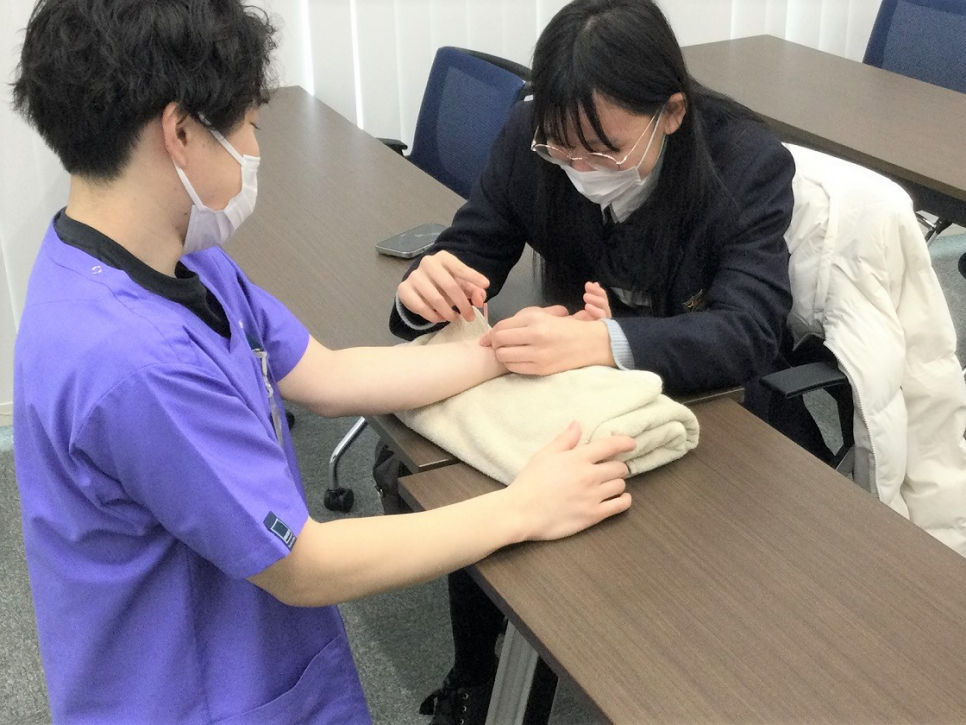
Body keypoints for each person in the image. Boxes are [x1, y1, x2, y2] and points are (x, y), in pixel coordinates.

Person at [10, 1, 638, 722]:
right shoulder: (133, 363)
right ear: (180, 133)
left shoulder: (165, 261)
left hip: (239, 651)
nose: (254, 147)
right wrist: (524, 506)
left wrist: (501, 351)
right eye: (246, 125)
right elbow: (304, 565)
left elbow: (327, 377)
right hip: (192, 693)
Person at [388, 0, 831, 722]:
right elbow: (470, 253)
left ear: (672, 113)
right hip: (580, 394)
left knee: (667, 607)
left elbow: (747, 332)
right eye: (562, 151)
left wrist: (604, 343)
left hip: (717, 409)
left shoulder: (745, 163)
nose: (581, 169)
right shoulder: (531, 135)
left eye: (605, 152)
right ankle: (478, 680)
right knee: (490, 497)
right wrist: (425, 290)